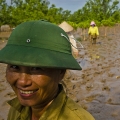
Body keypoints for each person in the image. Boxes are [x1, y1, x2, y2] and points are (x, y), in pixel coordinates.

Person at [0, 20, 95, 120]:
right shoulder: (16, 110)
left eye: (36, 68)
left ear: (61, 72)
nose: (22, 81)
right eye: (14, 67)